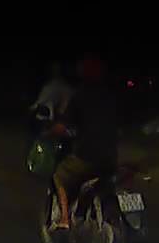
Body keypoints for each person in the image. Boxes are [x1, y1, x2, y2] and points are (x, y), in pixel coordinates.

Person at [50, 55, 118, 228]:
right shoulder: (110, 96)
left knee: (60, 175)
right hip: (110, 158)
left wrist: (51, 130)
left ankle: (64, 218)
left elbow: (63, 126)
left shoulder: (80, 95)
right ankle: (82, 211)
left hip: (88, 157)